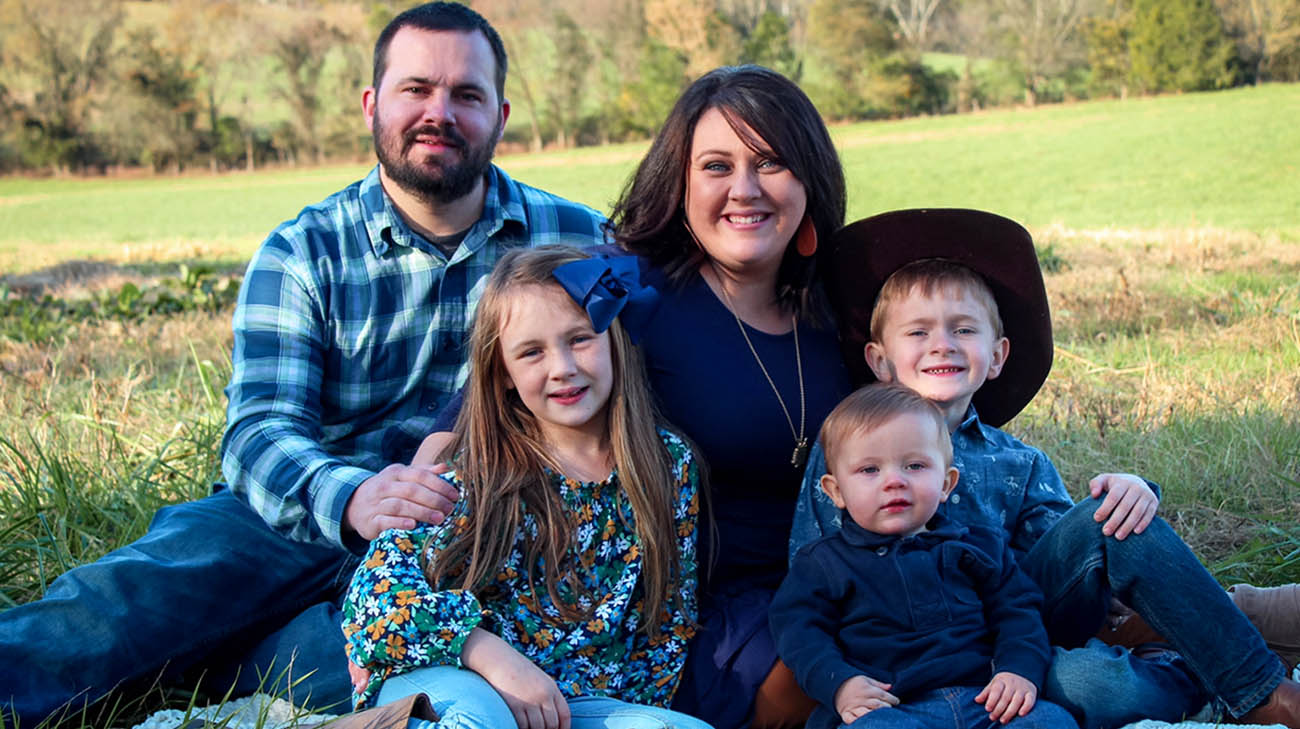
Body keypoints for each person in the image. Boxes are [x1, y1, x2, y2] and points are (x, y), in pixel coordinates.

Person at [0, 3, 606, 724]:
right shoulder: (303, 251)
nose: (438, 112)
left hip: (472, 534)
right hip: (299, 512)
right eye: (416, 89)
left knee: (371, 662)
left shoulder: (576, 238)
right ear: (372, 104)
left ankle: (222, 660)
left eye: (466, 95)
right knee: (122, 604)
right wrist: (352, 496)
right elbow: (257, 430)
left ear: (500, 115)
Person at [789, 208, 1300, 728]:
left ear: (997, 356)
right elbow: (810, 578)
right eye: (917, 332)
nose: (942, 343)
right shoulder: (845, 454)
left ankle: (1257, 690)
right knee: (1091, 683)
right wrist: (836, 680)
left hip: (1020, 641)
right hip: (906, 661)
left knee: (1114, 514)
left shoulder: (1018, 462)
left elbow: (1070, 571)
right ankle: (1189, 671)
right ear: (879, 361)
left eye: (963, 329)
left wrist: (1128, 492)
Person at [341, 247, 711, 729]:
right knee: (482, 719)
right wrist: (485, 652)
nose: (561, 368)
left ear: (615, 339)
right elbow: (374, 602)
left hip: (570, 706)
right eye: (532, 352)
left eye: (580, 339)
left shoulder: (666, 465)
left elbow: (666, 627)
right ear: (505, 374)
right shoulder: (474, 472)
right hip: (452, 670)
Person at [608, 66, 853, 729]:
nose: (744, 189)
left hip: (850, 574)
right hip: (711, 621)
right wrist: (434, 454)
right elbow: (508, 377)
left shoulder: (846, 303)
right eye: (717, 165)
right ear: (680, 183)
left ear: (809, 177)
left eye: (770, 161)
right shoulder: (634, 292)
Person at [771, 383, 1077, 729]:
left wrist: (1018, 669)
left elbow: (1018, 612)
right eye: (870, 470)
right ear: (836, 491)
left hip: (984, 700)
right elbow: (799, 633)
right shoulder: (824, 564)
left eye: (914, 466)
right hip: (893, 707)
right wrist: (841, 684)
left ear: (946, 484)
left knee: (1051, 720)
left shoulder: (979, 546)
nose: (894, 482)